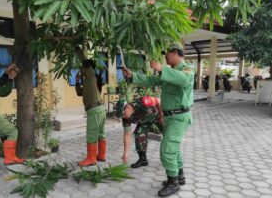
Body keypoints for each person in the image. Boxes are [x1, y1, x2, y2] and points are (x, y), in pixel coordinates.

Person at [123, 42, 194, 197]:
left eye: (166, 53)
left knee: (166, 150)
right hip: (170, 117)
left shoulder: (186, 69)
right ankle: (179, 176)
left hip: (179, 116)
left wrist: (162, 69)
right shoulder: (169, 71)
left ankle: (173, 183)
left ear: (175, 52)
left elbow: (185, 80)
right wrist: (133, 76)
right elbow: (150, 80)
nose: (165, 56)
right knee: (173, 148)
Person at [75, 59, 106, 167]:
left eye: (82, 67)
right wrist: (77, 81)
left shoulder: (91, 75)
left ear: (88, 68)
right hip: (100, 109)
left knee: (91, 135)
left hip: (94, 110)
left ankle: (91, 158)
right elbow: (80, 93)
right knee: (101, 133)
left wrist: (77, 48)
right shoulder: (90, 80)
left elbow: (85, 61)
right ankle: (101, 155)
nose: (80, 69)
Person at [121, 96, 163, 168]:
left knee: (168, 134)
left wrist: (161, 115)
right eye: (124, 115)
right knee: (139, 133)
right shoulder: (125, 116)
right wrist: (125, 153)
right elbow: (127, 135)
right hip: (144, 121)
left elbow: (157, 101)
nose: (125, 117)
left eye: (126, 115)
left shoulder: (142, 102)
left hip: (157, 116)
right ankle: (143, 160)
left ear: (130, 108)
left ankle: (172, 156)